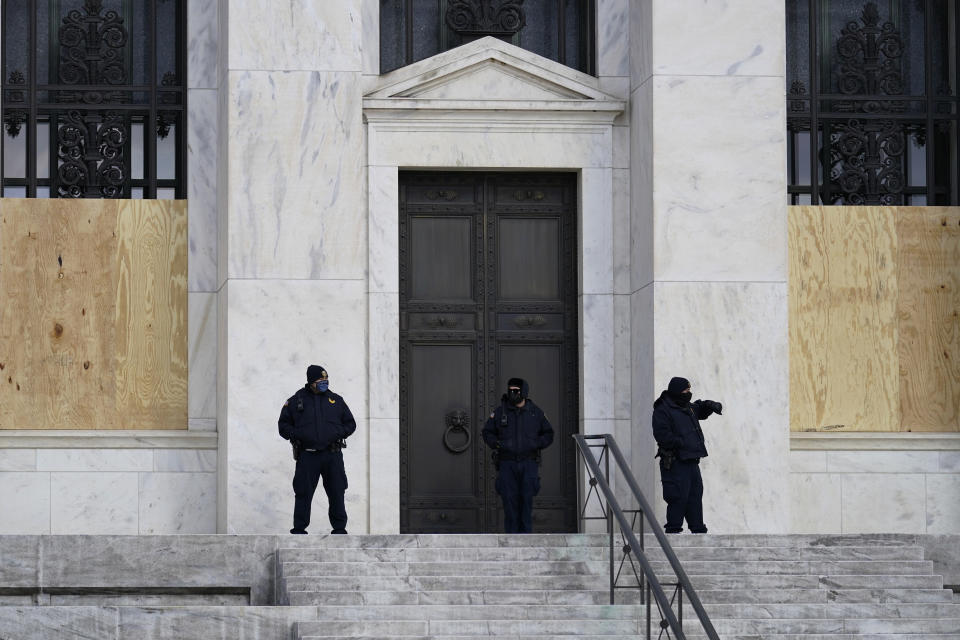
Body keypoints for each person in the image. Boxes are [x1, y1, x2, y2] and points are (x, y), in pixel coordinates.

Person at [278, 364, 356, 534]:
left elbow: (350, 423)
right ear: (311, 381)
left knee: (337, 491)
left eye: (326, 379)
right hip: (308, 455)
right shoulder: (296, 400)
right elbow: (283, 426)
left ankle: (339, 529)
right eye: (321, 380)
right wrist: (298, 434)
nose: (324, 382)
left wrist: (338, 432)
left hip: (332, 454)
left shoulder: (336, 400)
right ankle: (299, 529)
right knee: (303, 492)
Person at [482, 378, 554, 533]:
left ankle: (526, 538)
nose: (512, 393)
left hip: (529, 464)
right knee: (509, 502)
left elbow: (549, 434)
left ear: (524, 392)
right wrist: (497, 444)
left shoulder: (535, 412)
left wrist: (535, 443)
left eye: (516, 391)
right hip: (507, 464)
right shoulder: (501, 412)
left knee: (526, 501)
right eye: (510, 390)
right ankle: (511, 538)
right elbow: (487, 432)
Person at [651, 376, 722, 534]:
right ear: (677, 391)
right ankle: (673, 534)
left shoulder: (686, 407)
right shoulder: (663, 409)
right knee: (677, 497)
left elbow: (699, 410)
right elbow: (662, 435)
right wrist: (682, 442)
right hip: (676, 463)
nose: (688, 393)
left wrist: (710, 406)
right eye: (686, 390)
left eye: (689, 390)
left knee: (695, 497)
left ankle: (698, 531)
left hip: (691, 461)